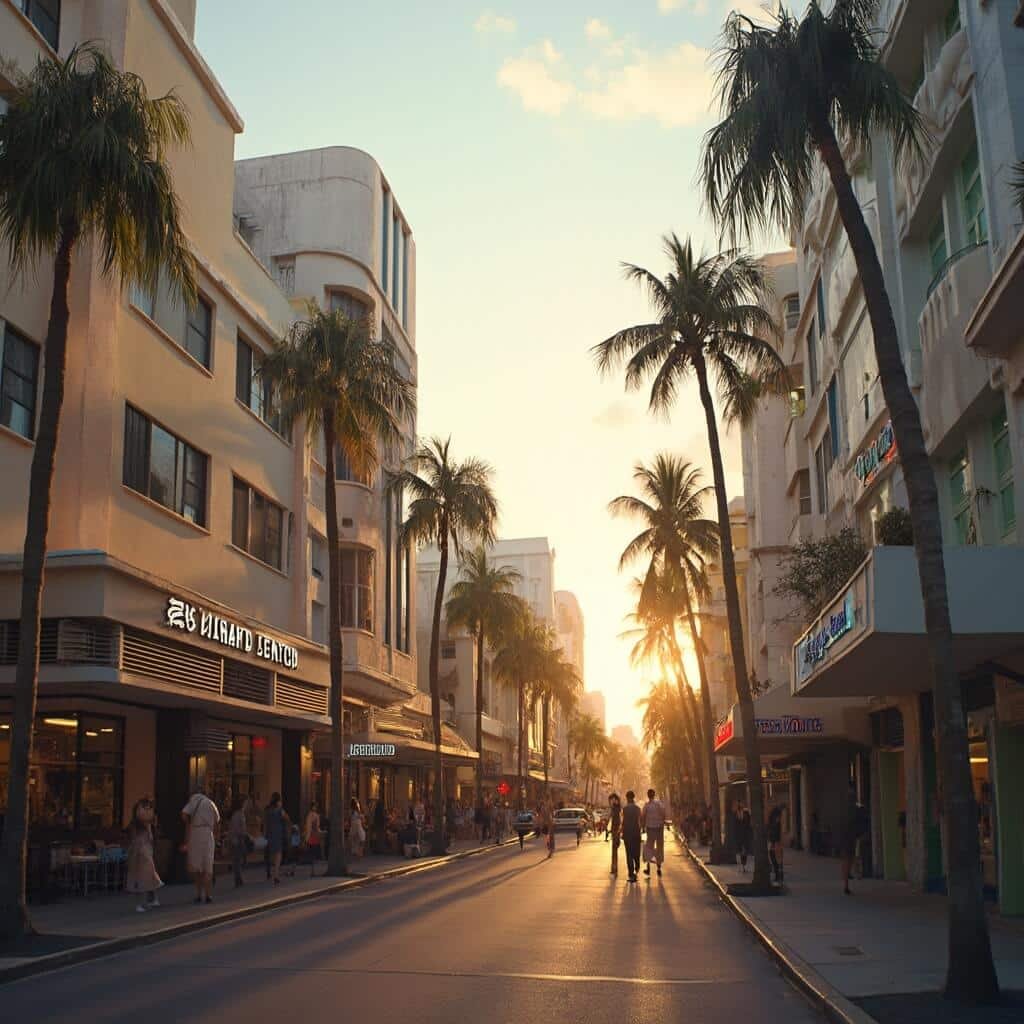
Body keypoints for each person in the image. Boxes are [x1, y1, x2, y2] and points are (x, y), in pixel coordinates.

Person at [182, 786, 220, 904]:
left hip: (196, 833)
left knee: (197, 866)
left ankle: (199, 894)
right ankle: (208, 895)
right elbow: (217, 820)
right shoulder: (211, 803)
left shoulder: (194, 799)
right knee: (208, 865)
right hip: (208, 834)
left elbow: (184, 814)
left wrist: (190, 823)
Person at [125, 796, 162, 913]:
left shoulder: (149, 824)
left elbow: (152, 837)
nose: (147, 810)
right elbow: (133, 837)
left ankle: (148, 901)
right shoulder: (137, 825)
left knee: (147, 875)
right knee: (141, 877)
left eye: (149, 808)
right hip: (140, 852)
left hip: (145, 852)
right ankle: (141, 903)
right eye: (145, 808)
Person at [264, 792, 289, 884]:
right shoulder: (279, 810)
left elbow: (265, 822)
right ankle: (276, 875)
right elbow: (286, 818)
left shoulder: (268, 810)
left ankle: (269, 870)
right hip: (278, 833)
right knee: (278, 854)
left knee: (270, 853)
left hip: (270, 833)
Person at [641, 788, 667, 878]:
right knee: (660, 847)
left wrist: (643, 827)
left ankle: (648, 868)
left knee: (649, 847)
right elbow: (664, 814)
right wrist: (662, 822)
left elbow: (643, 816)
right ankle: (659, 867)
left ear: (648, 796)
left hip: (650, 829)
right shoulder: (659, 804)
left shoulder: (647, 806)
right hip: (659, 828)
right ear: (654, 795)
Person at [840, 784, 860, 895]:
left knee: (846, 859)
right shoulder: (855, 809)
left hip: (845, 837)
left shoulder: (844, 808)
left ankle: (846, 880)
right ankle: (848, 877)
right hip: (851, 837)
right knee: (850, 858)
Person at [228, 795, 249, 887]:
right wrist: (245, 835)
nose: (247, 804)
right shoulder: (239, 814)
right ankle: (238, 879)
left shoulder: (237, 814)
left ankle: (238, 878)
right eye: (246, 802)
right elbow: (238, 829)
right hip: (237, 839)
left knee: (237, 859)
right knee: (238, 860)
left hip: (235, 839)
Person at [621, 791, 642, 882]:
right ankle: (637, 865)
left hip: (627, 833)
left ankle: (631, 872)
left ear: (627, 798)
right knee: (636, 852)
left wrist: (622, 832)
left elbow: (624, 822)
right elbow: (640, 821)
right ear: (633, 797)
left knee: (629, 853)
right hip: (636, 833)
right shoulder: (638, 809)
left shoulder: (625, 809)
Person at [767, 805, 784, 883]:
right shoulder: (775, 824)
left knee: (776, 859)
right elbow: (775, 833)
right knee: (777, 859)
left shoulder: (774, 824)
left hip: (775, 842)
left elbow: (774, 833)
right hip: (775, 842)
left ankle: (778, 875)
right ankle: (779, 875)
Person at [736, 802, 753, 873]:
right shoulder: (737, 816)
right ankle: (743, 865)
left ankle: (744, 865)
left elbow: (748, 824)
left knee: (744, 850)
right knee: (742, 851)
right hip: (741, 836)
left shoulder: (746, 814)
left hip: (744, 835)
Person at [608, 793, 622, 876]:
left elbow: (618, 821)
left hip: (616, 830)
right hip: (614, 830)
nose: (610, 802)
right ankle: (614, 868)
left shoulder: (616, 809)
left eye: (612, 800)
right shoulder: (615, 808)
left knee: (614, 849)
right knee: (614, 850)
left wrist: (617, 832)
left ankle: (614, 868)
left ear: (615, 800)